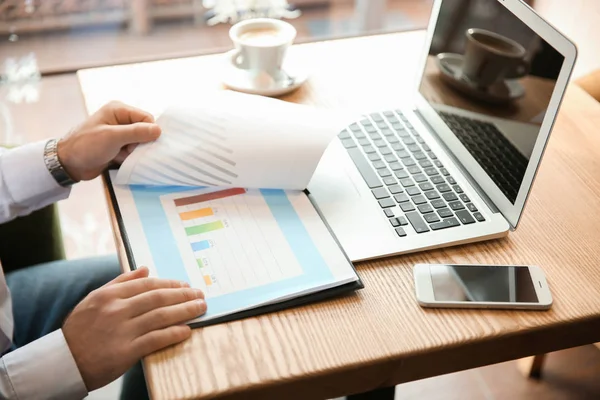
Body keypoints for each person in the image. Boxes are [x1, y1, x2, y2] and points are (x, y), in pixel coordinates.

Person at [0, 101, 208, 399]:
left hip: (9, 307)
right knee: (164, 331)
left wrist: (61, 157)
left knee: (162, 285)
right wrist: (72, 360)